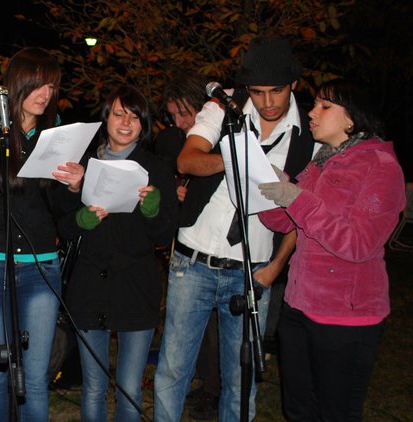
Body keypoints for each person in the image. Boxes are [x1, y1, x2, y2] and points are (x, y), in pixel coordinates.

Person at [153, 36, 317, 422]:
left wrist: (275, 268)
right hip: (193, 261)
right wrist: (235, 159)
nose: (267, 102)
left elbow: (304, 213)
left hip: (252, 269)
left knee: (241, 380)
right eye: (257, 92)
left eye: (276, 91)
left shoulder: (308, 133)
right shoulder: (224, 106)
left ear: (293, 84)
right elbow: (187, 160)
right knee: (174, 370)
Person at [258, 78, 406, 421]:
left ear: (352, 117)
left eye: (325, 106)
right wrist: (270, 188)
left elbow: (359, 243)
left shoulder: (380, 167)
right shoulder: (321, 162)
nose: (312, 113)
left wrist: (296, 198)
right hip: (298, 307)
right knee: (298, 410)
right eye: (314, 105)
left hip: (346, 318)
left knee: (334, 413)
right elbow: (284, 223)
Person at [0, 47, 84, 421]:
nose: (46, 94)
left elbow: (61, 209)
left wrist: (75, 186)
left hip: (41, 266)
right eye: (38, 84)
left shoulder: (56, 133)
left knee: (36, 376)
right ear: (17, 83)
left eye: (52, 86)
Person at [57, 84, 176, 421]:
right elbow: (61, 225)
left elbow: (166, 233)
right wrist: (79, 216)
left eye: (134, 117)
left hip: (136, 286)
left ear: (144, 124)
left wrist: (153, 210)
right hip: (89, 287)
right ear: (106, 118)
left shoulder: (156, 168)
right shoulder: (82, 166)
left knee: (129, 387)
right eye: (119, 114)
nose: (126, 123)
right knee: (93, 386)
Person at [155, 72, 221, 420]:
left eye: (184, 113)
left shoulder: (221, 137)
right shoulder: (174, 141)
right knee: (190, 327)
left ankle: (214, 387)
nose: (180, 123)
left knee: (215, 327)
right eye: (173, 116)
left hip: (215, 247)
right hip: (184, 242)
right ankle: (203, 381)